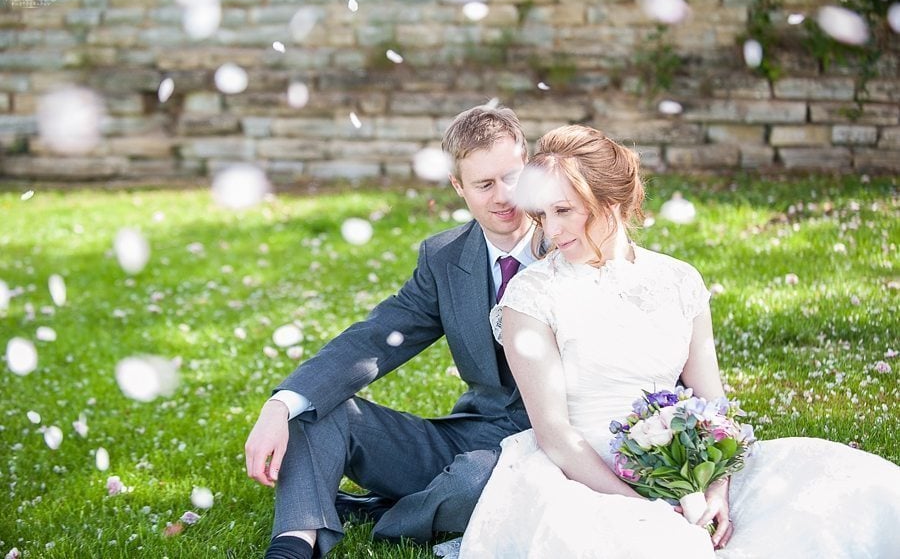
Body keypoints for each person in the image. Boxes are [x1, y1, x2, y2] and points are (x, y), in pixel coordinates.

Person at [440, 125, 900, 558]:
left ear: (612, 201)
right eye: (543, 214)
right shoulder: (530, 295)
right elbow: (555, 435)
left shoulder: (679, 280)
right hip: (582, 474)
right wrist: (643, 506)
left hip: (688, 465)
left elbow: (713, 402)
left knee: (858, 491)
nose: (551, 230)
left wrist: (715, 485)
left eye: (564, 211)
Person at [244, 104, 540, 559]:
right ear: (459, 188)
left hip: (548, 451)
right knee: (316, 407)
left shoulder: (569, 242)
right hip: (468, 436)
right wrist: (280, 403)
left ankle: (382, 512)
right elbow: (377, 337)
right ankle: (293, 544)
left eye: (512, 178)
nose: (503, 197)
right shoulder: (444, 258)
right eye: (483, 184)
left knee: (471, 485)